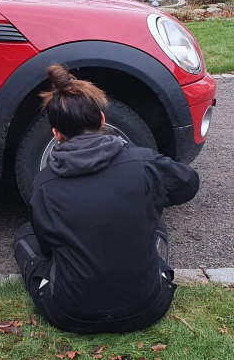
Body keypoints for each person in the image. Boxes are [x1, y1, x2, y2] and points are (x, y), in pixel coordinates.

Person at [13, 64, 199, 334]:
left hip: (70, 314)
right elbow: (189, 184)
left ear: (56, 134)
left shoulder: (44, 185)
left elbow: (47, 248)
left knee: (24, 236)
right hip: (148, 307)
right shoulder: (144, 162)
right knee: (154, 218)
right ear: (101, 120)